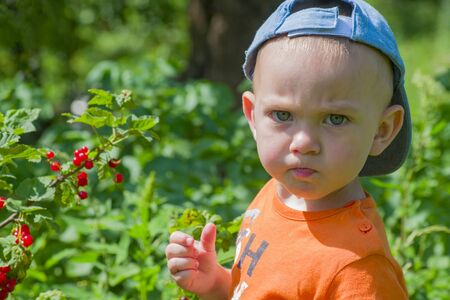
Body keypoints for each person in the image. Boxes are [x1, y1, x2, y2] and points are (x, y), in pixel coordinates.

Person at [165, 0, 411, 299]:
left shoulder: (358, 270)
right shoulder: (275, 192)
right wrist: (217, 283)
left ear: (381, 130)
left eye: (336, 119)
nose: (303, 143)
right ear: (253, 116)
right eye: (283, 115)